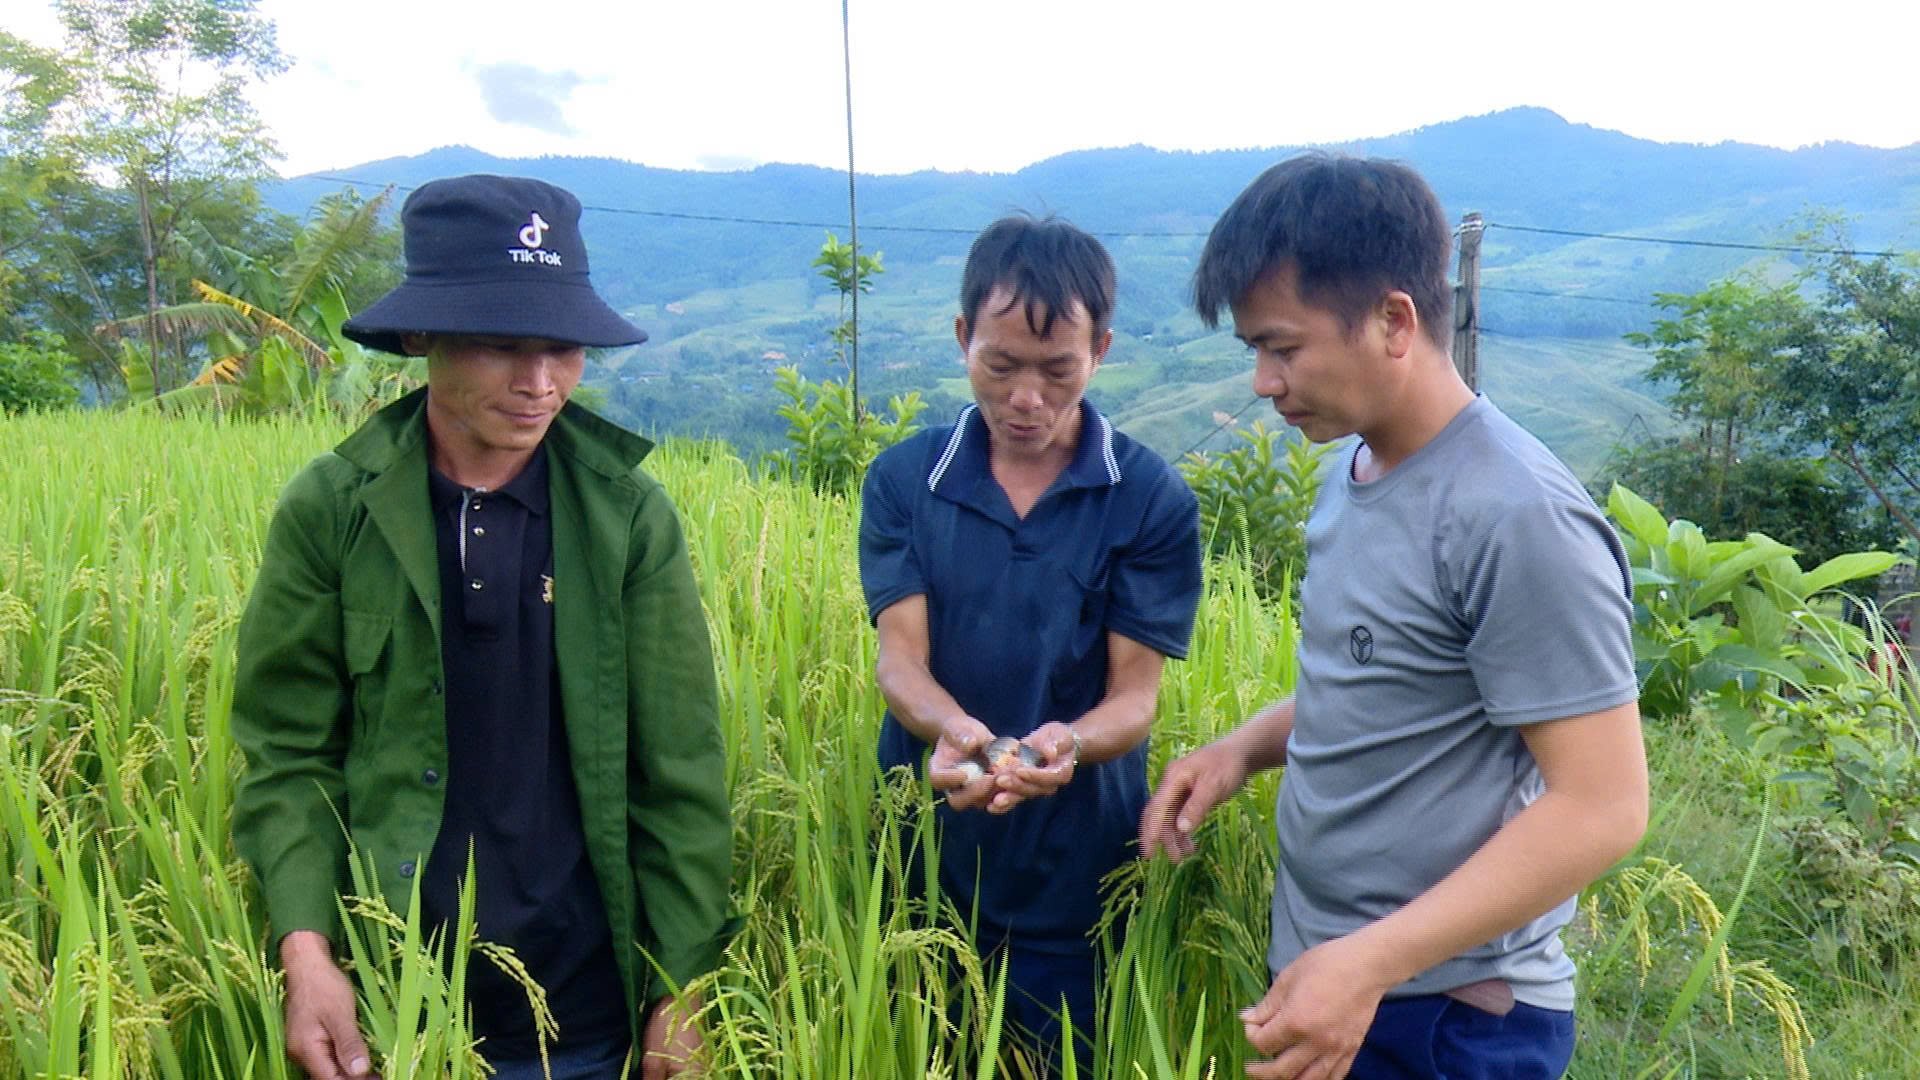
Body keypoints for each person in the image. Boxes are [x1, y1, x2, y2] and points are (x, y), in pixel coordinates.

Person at [1139, 154, 1649, 1080]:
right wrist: (1239, 752)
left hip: (1450, 1020)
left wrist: (1371, 962)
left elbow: (1603, 807)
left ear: (1393, 320)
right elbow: (1383, 686)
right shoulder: (1355, 471)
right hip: (1343, 981)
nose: (1262, 380)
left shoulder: (1515, 513)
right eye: (1253, 349)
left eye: (1282, 347)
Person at [231, 175, 735, 1080]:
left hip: (586, 1012)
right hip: (392, 1007)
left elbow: (677, 770)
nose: (540, 383)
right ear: (424, 337)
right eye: (504, 346)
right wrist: (307, 956)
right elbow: (287, 753)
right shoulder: (333, 512)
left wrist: (682, 987)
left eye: (563, 349)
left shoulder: (629, 519)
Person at [858, 214, 1203, 1073]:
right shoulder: (906, 481)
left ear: (1103, 350)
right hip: (923, 867)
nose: (1026, 399)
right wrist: (955, 732)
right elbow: (900, 656)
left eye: (1057, 371)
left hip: (1079, 875)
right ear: (962, 336)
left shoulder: (1149, 499)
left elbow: (1135, 696)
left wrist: (1068, 744)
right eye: (1000, 365)